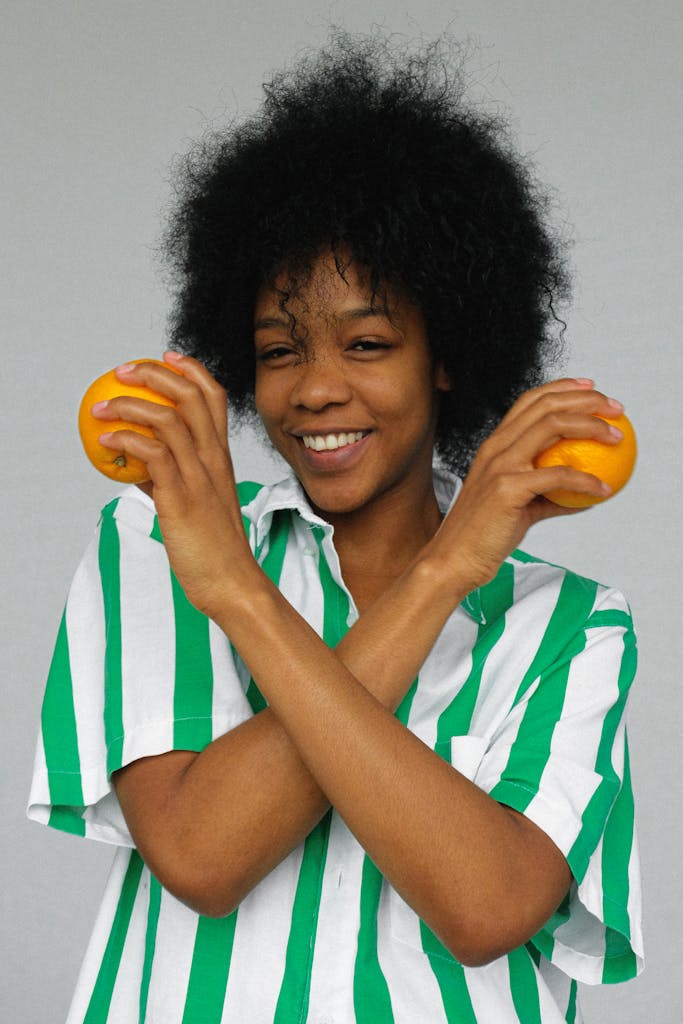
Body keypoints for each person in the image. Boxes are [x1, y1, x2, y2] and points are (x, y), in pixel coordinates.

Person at [28, 33, 642, 1024]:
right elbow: (198, 854)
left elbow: (486, 905)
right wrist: (228, 579)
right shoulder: (158, 540)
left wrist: (438, 573)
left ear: (445, 354)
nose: (316, 389)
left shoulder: (571, 624)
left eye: (366, 343)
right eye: (278, 349)